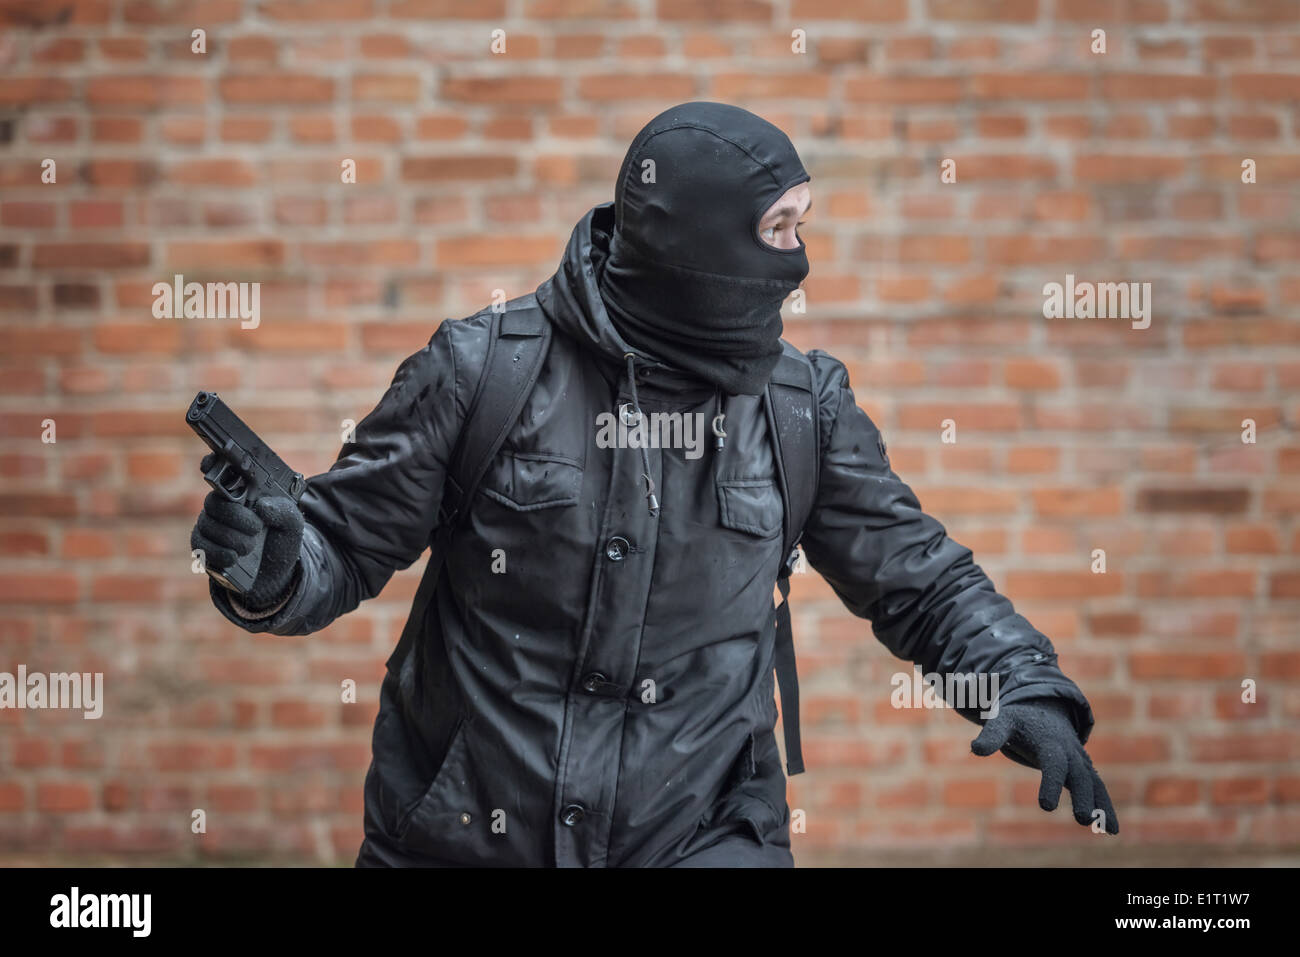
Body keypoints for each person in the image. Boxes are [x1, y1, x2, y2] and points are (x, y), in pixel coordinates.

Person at [191, 101, 1118, 867]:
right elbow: (340, 547)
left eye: (804, 226)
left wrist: (1021, 683)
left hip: (707, 838)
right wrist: (268, 567)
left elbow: (918, 579)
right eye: (779, 229)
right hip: (465, 839)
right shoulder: (482, 372)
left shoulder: (803, 408)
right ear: (698, 242)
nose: (799, 260)